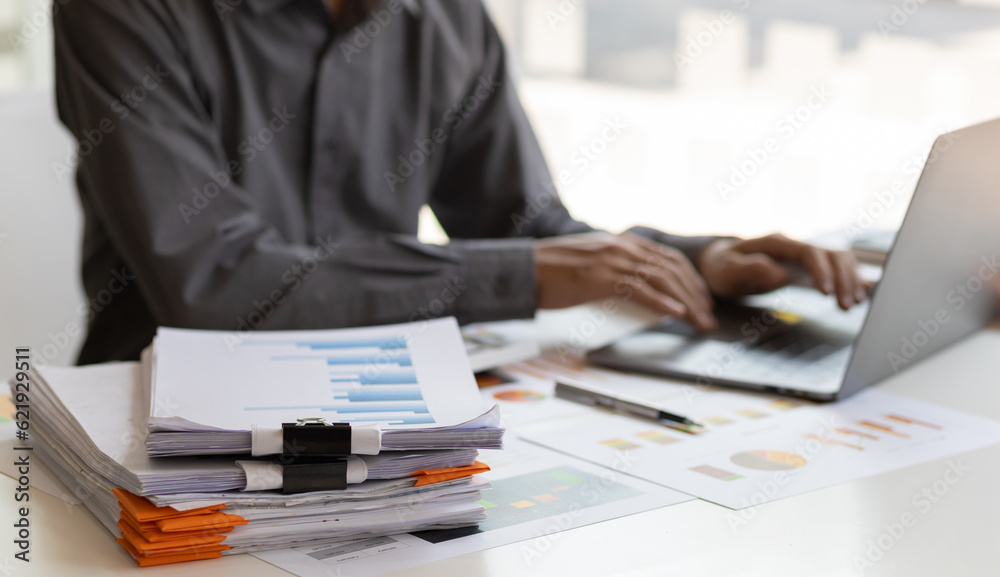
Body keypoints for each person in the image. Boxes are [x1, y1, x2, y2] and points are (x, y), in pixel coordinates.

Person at [54, 0, 868, 365]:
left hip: (395, 407)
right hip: (157, 417)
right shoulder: (124, 8)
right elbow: (215, 281)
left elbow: (528, 228)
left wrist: (699, 257)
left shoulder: (449, 19)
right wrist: (523, 273)